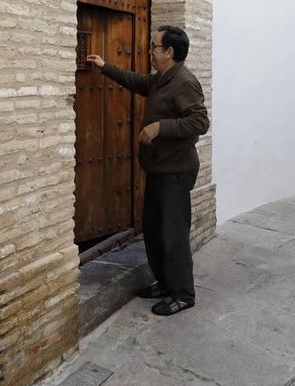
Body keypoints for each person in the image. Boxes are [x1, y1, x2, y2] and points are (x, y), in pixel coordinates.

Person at [85, 25, 209, 316]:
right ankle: (165, 284)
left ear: (170, 52)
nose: (149, 50)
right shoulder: (161, 79)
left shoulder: (184, 81)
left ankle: (183, 294)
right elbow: (139, 82)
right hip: (159, 169)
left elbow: (200, 122)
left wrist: (160, 127)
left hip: (176, 172)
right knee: (154, 231)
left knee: (173, 234)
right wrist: (105, 67)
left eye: (154, 46)